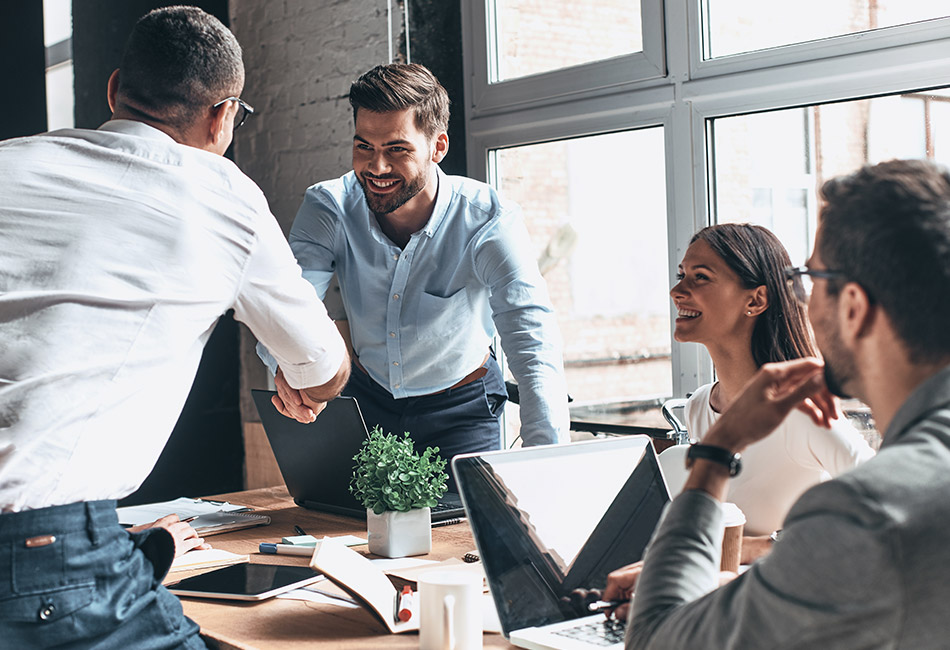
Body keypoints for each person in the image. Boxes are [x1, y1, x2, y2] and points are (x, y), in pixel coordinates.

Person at [0, 7, 349, 647]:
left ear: (113, 92)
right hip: (44, 557)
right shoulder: (221, 194)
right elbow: (324, 369)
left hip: (59, 544)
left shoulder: (10, 162)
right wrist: (307, 385)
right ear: (224, 116)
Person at [602, 158, 950, 648]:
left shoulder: (866, 510)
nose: (801, 297)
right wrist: (748, 589)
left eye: (810, 277)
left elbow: (657, 639)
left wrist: (716, 454)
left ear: (852, 306)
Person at [258, 63, 570, 479]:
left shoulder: (488, 220)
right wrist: (288, 370)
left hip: (461, 410)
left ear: (437, 146)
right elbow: (287, 305)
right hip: (365, 400)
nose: (376, 167)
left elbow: (532, 341)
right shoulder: (329, 206)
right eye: (363, 147)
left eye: (396, 149)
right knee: (346, 533)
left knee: (467, 536)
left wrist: (548, 467)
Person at [670, 223, 874, 557]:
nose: (678, 290)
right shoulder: (699, 406)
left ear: (756, 300)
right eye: (682, 275)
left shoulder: (801, 412)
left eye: (700, 277)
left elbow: (886, 503)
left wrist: (757, 547)